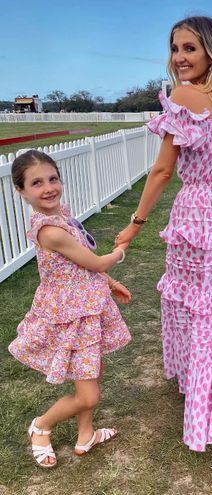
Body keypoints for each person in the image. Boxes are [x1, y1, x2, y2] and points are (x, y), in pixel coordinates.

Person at [115, 16, 212, 452]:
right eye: (175, 48)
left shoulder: (185, 97)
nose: (179, 58)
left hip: (198, 212)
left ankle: (205, 401)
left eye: (189, 49)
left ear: (210, 52)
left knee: (194, 305)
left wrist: (136, 222)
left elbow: (164, 170)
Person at [8, 150, 132, 468]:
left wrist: (109, 282)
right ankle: (41, 426)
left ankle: (86, 434)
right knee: (88, 394)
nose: (48, 187)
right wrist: (120, 251)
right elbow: (96, 260)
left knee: (91, 373)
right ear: (21, 191)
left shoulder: (61, 216)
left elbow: (84, 267)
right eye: (36, 183)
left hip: (86, 306)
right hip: (69, 315)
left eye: (52, 178)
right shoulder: (50, 231)